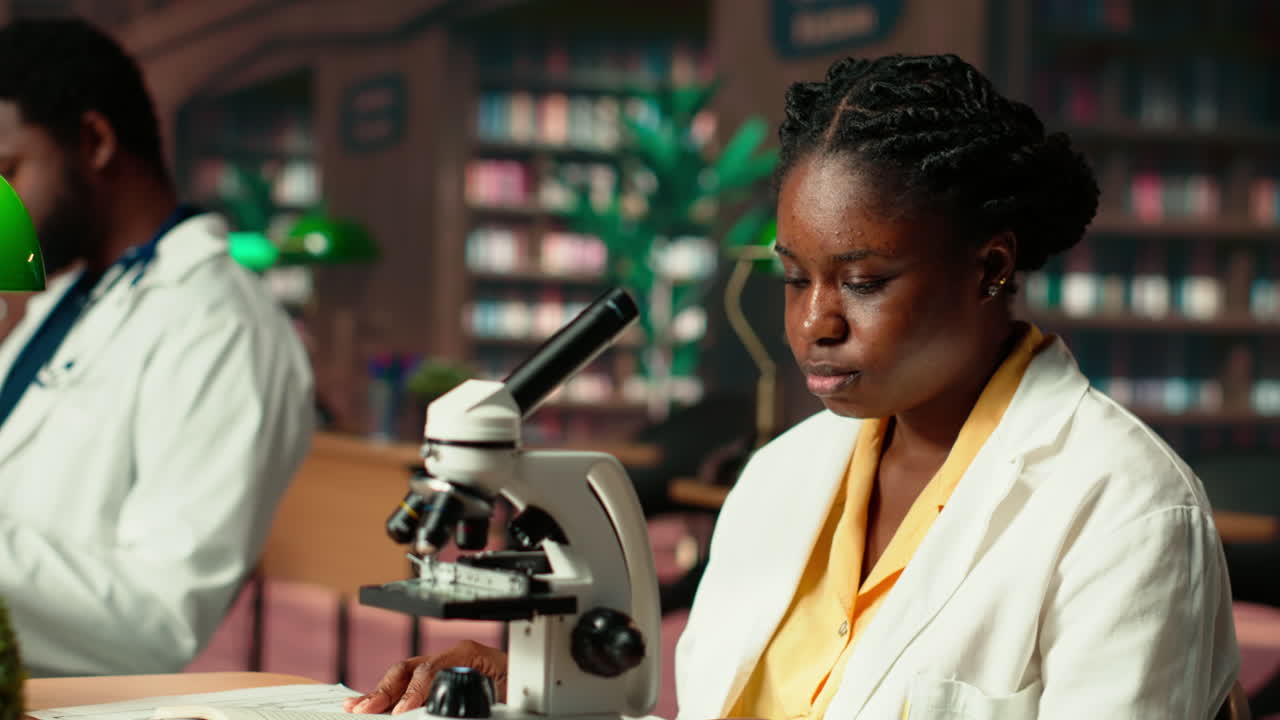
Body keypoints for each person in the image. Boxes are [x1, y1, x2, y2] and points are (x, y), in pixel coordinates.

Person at [346, 53, 1239, 718]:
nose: (814, 322)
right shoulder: (782, 474)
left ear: (991, 267)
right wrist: (546, 700)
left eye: (864, 281)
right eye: (793, 277)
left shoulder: (1125, 510)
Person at [0, 18, 314, 676]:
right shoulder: (67, 300)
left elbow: (161, 615)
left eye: (7, 172)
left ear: (94, 141)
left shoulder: (223, 327)